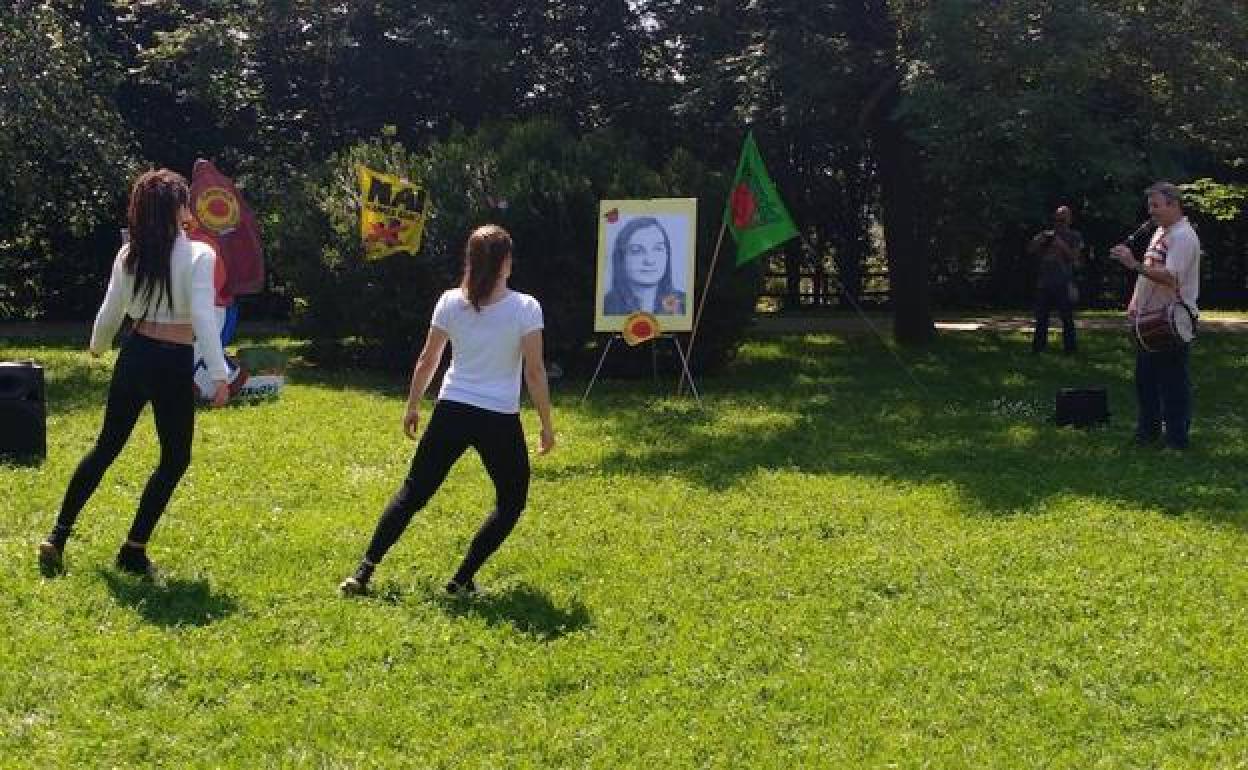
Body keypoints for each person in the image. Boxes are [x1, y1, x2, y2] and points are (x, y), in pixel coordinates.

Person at [339, 224, 555, 597]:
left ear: (471, 260)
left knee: (413, 492)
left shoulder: (449, 301)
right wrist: (546, 426)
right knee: (512, 499)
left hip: (451, 409)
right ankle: (461, 580)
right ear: (505, 262)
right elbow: (534, 372)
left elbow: (428, 360)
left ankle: (363, 571)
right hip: (498, 418)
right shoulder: (525, 307)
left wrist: (412, 405)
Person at [38, 169, 230, 578]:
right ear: (178, 208)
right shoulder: (200, 255)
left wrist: (97, 346)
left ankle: (58, 535)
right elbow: (202, 316)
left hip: (136, 354)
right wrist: (219, 373)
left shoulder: (129, 255)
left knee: (106, 446)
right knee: (175, 458)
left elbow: (111, 311)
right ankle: (133, 548)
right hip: (173, 361)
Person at [1110, 181, 1201, 450]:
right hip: (1151, 318)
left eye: (1156, 205)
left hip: (1173, 319)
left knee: (1173, 383)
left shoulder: (1183, 236)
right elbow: (1150, 271)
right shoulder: (1161, 232)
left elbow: (1171, 277)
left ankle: (1177, 440)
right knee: (1146, 379)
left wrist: (1132, 263)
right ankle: (1147, 432)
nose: (1151, 211)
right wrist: (1135, 301)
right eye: (1150, 205)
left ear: (1173, 204)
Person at [602, 216, 687, 316]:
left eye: (658, 249)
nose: (650, 260)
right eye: (636, 251)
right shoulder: (604, 307)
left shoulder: (685, 303)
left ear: (667, 255)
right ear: (621, 258)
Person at [1028, 205, 1083, 353]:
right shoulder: (1047, 235)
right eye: (1058, 219)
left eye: (1063, 219)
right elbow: (1031, 249)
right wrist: (1040, 239)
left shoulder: (1074, 236)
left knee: (1067, 318)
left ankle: (1070, 349)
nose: (1060, 223)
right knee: (1041, 318)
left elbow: (1075, 259)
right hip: (1044, 282)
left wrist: (1061, 245)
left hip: (1064, 281)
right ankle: (1038, 348)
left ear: (1070, 220)